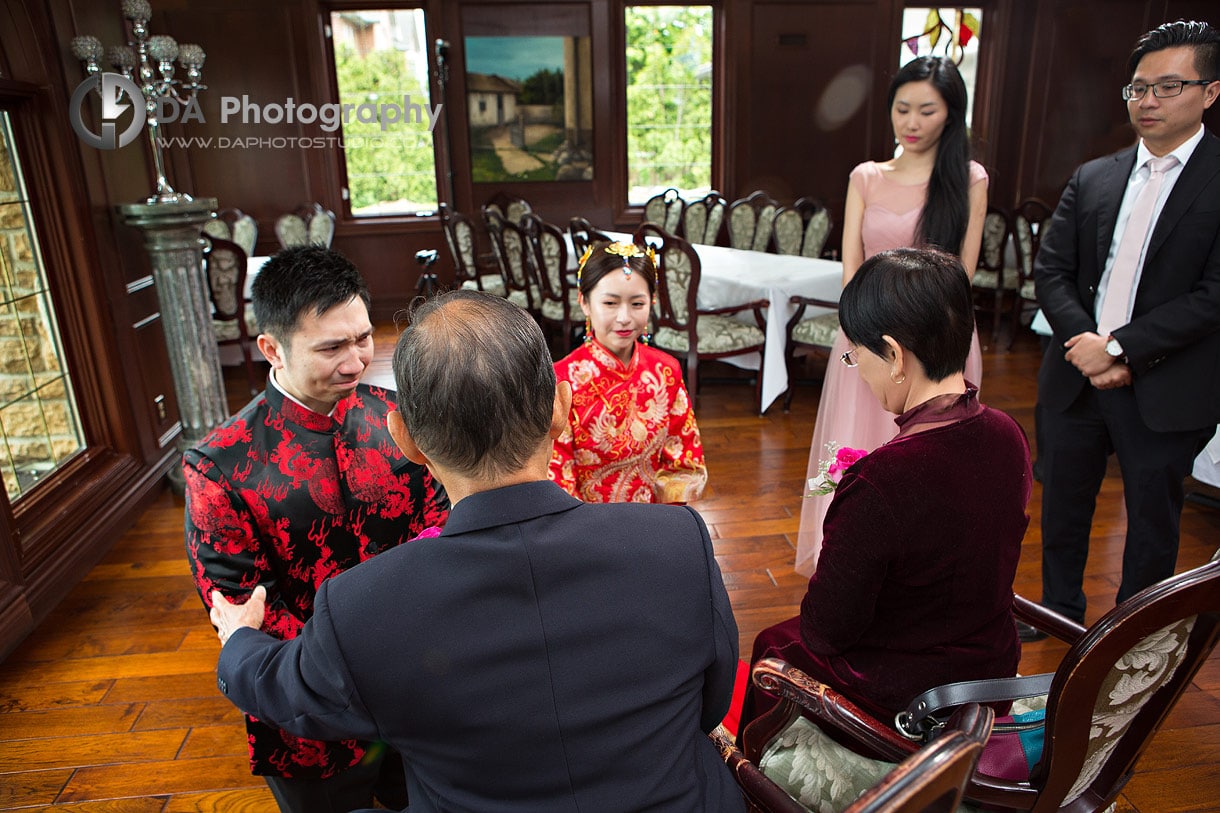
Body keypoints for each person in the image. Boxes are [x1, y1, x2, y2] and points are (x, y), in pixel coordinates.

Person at [207, 289, 744, 813]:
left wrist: (238, 641)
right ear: (561, 407)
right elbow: (711, 701)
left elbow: (284, 689)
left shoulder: (363, 606)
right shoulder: (678, 542)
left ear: (405, 439)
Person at [183, 246, 450, 812]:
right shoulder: (221, 464)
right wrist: (346, 671)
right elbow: (241, 609)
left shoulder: (398, 414)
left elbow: (442, 526)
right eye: (331, 347)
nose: (356, 362)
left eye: (361, 338)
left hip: (420, 685)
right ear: (272, 349)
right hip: (309, 708)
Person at [740, 248, 1030, 750]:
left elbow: (827, 632)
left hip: (916, 701)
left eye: (857, 355)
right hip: (992, 674)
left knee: (772, 646)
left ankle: (751, 781)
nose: (857, 369)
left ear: (895, 356)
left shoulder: (881, 480)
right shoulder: (1008, 433)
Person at [1032, 20, 1220, 637]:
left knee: (1153, 519)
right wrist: (1087, 347)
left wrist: (1120, 348)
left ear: (1210, 92)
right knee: (1063, 505)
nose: (1148, 101)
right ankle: (1058, 609)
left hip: (1168, 385)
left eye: (1168, 87)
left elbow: (1213, 295)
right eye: (1138, 89)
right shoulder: (1095, 176)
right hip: (1075, 376)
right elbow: (1052, 270)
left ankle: (1129, 633)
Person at [794, 55, 990, 576]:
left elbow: (962, 273)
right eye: (902, 109)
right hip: (867, 336)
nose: (912, 122)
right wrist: (866, 334)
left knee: (929, 455)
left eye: (927, 110)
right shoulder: (867, 177)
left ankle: (919, 564)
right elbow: (851, 267)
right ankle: (852, 558)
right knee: (862, 449)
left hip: (938, 336)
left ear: (951, 114)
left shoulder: (968, 178)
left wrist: (915, 335)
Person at [549, 241, 707, 503]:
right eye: (610, 303)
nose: (624, 317)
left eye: (637, 304)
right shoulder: (561, 380)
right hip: (587, 530)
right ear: (585, 302)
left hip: (654, 522)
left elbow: (684, 463)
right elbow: (557, 476)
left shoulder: (665, 371)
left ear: (651, 302)